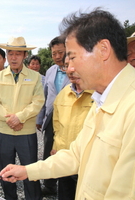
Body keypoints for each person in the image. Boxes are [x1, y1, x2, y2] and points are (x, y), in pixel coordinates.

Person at [0, 9, 135, 199]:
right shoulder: (102, 99)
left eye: (72, 57)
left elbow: (127, 192)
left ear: (103, 50)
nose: (69, 68)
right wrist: (27, 171)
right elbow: (76, 155)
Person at [0, 36, 44, 200]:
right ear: (7, 55)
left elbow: (38, 101)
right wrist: (10, 120)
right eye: (11, 53)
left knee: (30, 172)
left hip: (26, 132)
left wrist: (20, 118)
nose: (14, 57)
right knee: (6, 172)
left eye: (18, 54)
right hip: (5, 132)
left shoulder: (35, 77)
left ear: (25, 55)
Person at [51, 56, 94, 200]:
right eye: (66, 65)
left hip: (88, 159)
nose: (70, 70)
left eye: (73, 64)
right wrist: (56, 145)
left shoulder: (98, 94)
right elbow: (57, 123)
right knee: (65, 193)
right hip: (64, 155)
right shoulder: (63, 93)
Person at [36, 36, 69, 195]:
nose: (57, 56)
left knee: (66, 151)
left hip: (69, 118)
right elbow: (45, 96)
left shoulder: (77, 70)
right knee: (48, 150)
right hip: (50, 117)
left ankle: (67, 187)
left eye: (60, 52)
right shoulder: (50, 71)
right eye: (53, 53)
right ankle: (49, 185)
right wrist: (40, 118)